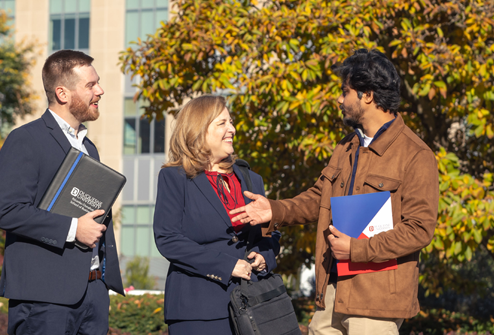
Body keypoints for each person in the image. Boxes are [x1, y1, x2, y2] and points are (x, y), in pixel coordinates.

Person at [232, 49, 440, 335]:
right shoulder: (346, 147)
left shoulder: (416, 155)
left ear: (367, 95)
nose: (340, 99)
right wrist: (275, 210)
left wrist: (356, 249)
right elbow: (319, 197)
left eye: (345, 91)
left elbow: (419, 229)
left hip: (376, 302)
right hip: (331, 292)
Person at [0, 50, 124, 335]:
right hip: (44, 300)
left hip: (93, 294)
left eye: (98, 83)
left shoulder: (89, 148)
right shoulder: (25, 140)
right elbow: (8, 211)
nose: (100, 91)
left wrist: (102, 284)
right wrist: (73, 228)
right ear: (62, 93)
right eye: (91, 85)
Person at [154, 95, 281, 334]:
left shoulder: (252, 180)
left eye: (231, 122)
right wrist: (227, 265)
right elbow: (168, 239)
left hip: (253, 306)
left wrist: (265, 256)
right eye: (222, 123)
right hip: (196, 311)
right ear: (198, 130)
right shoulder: (174, 177)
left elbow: (271, 233)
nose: (232, 129)